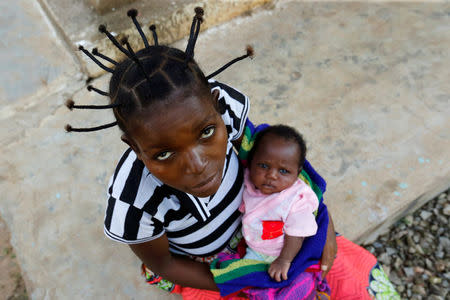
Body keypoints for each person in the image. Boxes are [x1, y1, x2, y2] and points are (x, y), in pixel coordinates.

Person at [66, 7, 398, 300]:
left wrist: (324, 225)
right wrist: (246, 281)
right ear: (134, 147)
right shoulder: (133, 202)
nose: (197, 165)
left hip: (267, 224)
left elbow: (280, 161)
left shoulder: (228, 109)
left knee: (352, 280)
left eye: (207, 133)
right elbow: (164, 263)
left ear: (215, 105)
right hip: (207, 270)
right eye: (164, 154)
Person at [239, 125, 321, 283]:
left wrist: (284, 260)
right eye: (263, 166)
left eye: (283, 171)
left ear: (297, 172)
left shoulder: (296, 200)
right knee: (246, 280)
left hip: (281, 254)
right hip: (255, 250)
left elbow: (296, 234)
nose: (271, 175)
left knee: (288, 283)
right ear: (251, 162)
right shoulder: (249, 181)